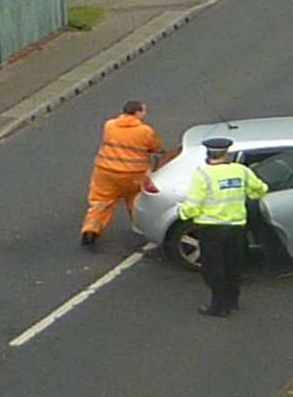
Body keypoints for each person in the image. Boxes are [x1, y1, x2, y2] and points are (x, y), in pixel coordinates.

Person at [178, 137, 267, 317]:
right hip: (236, 226)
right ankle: (233, 301)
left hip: (211, 228)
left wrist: (184, 213)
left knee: (214, 268)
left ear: (208, 154)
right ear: (227, 154)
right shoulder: (241, 171)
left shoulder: (203, 175)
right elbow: (260, 189)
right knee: (233, 265)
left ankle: (219, 306)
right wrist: (248, 194)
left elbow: (193, 204)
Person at [80, 100, 165, 246]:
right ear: (137, 113)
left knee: (101, 201)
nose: (145, 113)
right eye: (143, 111)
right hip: (133, 174)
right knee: (136, 200)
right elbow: (156, 147)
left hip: (105, 171)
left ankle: (91, 229)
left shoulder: (109, 125)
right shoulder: (145, 131)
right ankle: (140, 227)